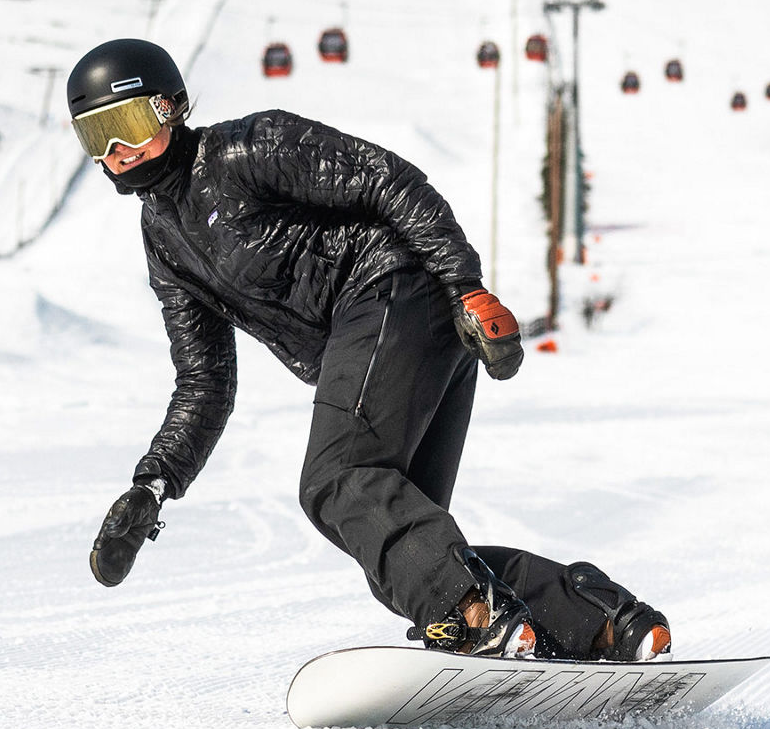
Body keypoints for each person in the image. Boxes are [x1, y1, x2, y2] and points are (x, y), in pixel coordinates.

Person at [67, 39, 671, 663]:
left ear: (171, 108)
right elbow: (204, 381)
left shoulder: (248, 150)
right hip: (392, 335)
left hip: (390, 290)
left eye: (129, 125)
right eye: (98, 136)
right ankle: (599, 621)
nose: (118, 152)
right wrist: (155, 484)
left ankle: (476, 614)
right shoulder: (165, 245)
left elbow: (387, 181)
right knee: (407, 558)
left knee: (339, 481)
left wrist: (466, 286)